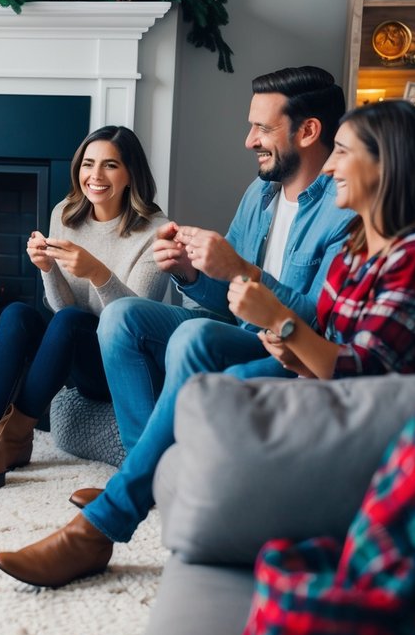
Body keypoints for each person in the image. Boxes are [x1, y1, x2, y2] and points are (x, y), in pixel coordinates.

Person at [0, 98, 415, 589]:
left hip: (327, 373)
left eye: (342, 152)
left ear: (386, 162)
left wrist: (275, 319)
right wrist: (192, 271)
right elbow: (248, 308)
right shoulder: (346, 244)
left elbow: (354, 366)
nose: (330, 166)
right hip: (282, 347)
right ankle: (128, 474)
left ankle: (105, 520)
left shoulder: (402, 254)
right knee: (146, 324)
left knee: (201, 360)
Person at [93, 66, 354, 462]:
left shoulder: (343, 210)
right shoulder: (260, 192)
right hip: (238, 328)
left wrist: (241, 271)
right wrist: (190, 270)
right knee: (119, 317)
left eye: (262, 128)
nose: (250, 141)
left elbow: (317, 324)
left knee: (192, 335)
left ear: (308, 131)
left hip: (286, 349)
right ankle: (145, 467)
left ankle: (145, 477)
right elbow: (223, 295)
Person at [0, 126, 170, 494]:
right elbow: (63, 306)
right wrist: (47, 267)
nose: (95, 176)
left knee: (71, 321)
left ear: (131, 175)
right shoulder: (66, 213)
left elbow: (133, 322)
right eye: (88, 164)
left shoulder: (156, 233)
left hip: (121, 367)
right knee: (17, 314)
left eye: (110, 165)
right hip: (77, 350)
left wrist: (98, 273)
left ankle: (14, 436)